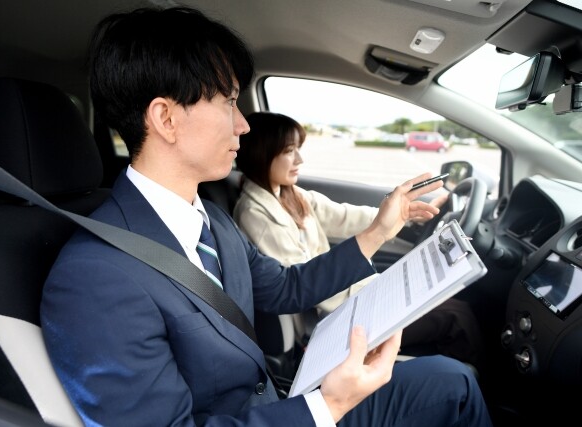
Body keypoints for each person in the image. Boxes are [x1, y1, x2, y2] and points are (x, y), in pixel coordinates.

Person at [40, 6, 493, 427]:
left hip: (280, 402)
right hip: (288, 414)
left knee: (452, 381)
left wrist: (379, 229)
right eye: (228, 102)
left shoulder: (211, 219)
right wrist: (328, 406)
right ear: (166, 119)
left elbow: (286, 287)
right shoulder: (94, 277)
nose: (243, 124)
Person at [233, 111, 485, 370]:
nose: (300, 159)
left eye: (298, 149)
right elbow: (300, 288)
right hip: (335, 316)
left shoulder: (288, 193)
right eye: (289, 151)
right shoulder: (256, 215)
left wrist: (405, 215)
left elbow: (344, 216)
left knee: (453, 305)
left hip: (350, 297)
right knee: (456, 316)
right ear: (261, 154)